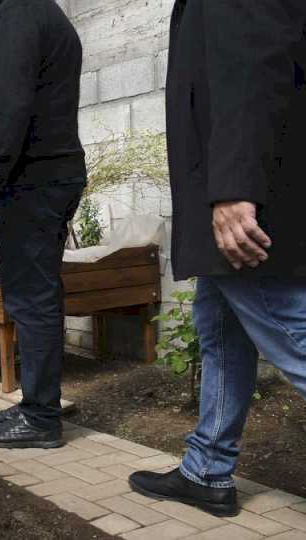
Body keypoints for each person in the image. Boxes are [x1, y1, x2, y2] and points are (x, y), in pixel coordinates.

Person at [128, 0, 306, 517]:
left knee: (290, 329)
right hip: (241, 184)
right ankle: (206, 470)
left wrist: (233, 187)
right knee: (221, 332)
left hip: (250, 194)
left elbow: (254, 66)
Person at [0, 0, 87, 448]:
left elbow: (9, 107)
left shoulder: (19, 14)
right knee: (33, 296)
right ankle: (37, 404)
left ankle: (41, 418)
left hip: (31, 181)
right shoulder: (28, 13)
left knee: (32, 299)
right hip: (40, 177)